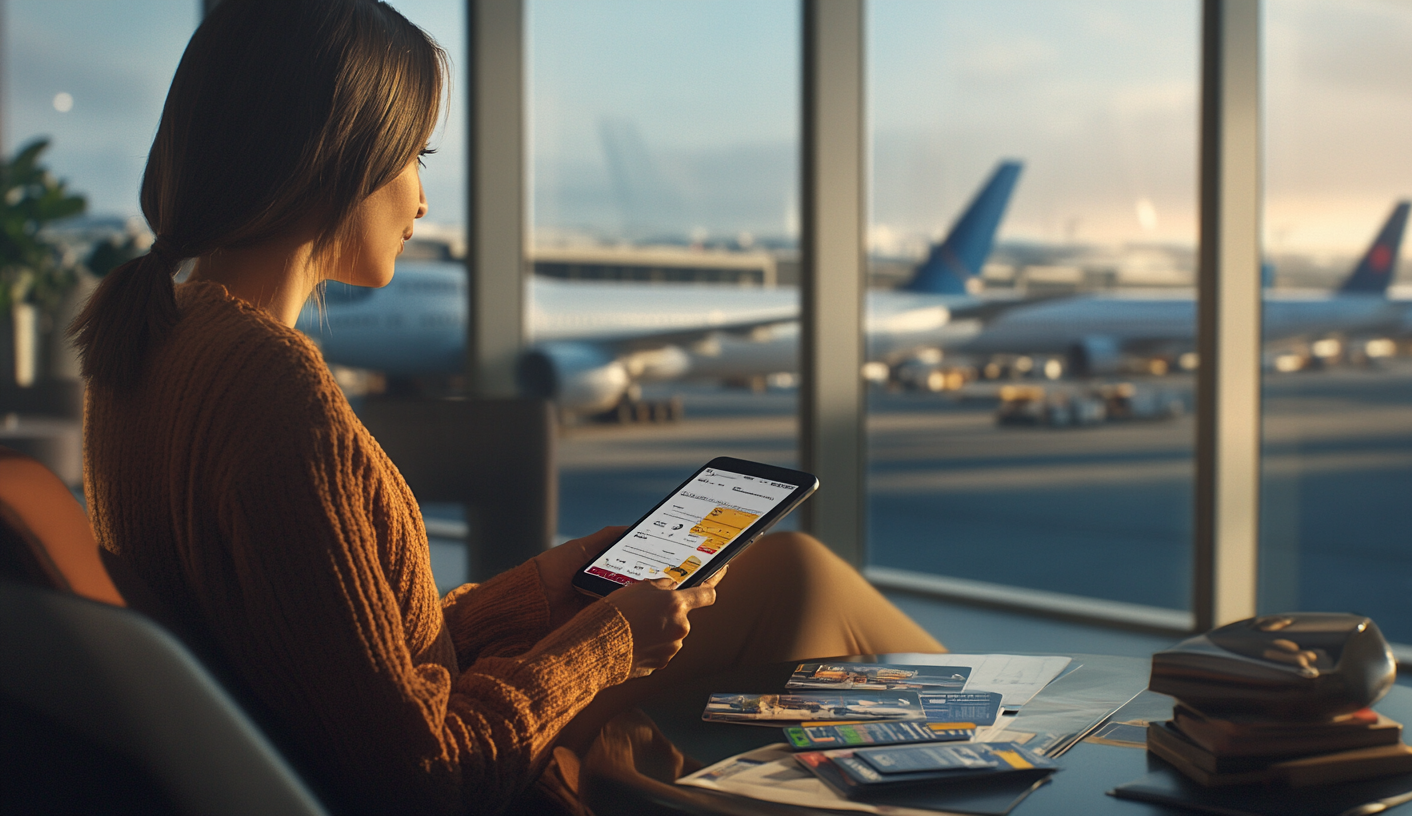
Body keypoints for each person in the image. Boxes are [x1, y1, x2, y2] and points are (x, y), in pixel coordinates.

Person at [71, 1, 942, 813]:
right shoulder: (275, 396)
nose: (422, 197)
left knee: (784, 572)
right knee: (809, 588)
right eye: (418, 157)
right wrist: (610, 643)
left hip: (315, 758)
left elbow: (341, 656)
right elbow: (422, 769)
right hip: (479, 784)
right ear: (339, 156)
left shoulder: (148, 346)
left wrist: (543, 593)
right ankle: (1038, 755)